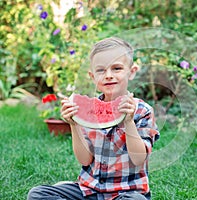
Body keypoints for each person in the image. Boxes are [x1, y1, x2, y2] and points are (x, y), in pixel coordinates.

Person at [27, 37, 160, 200]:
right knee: (38, 194)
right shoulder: (87, 110)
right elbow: (84, 160)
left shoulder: (143, 111)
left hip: (126, 193)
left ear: (131, 72)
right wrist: (74, 125)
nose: (109, 75)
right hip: (88, 191)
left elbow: (139, 158)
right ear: (92, 76)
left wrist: (128, 121)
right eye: (101, 70)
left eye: (117, 68)